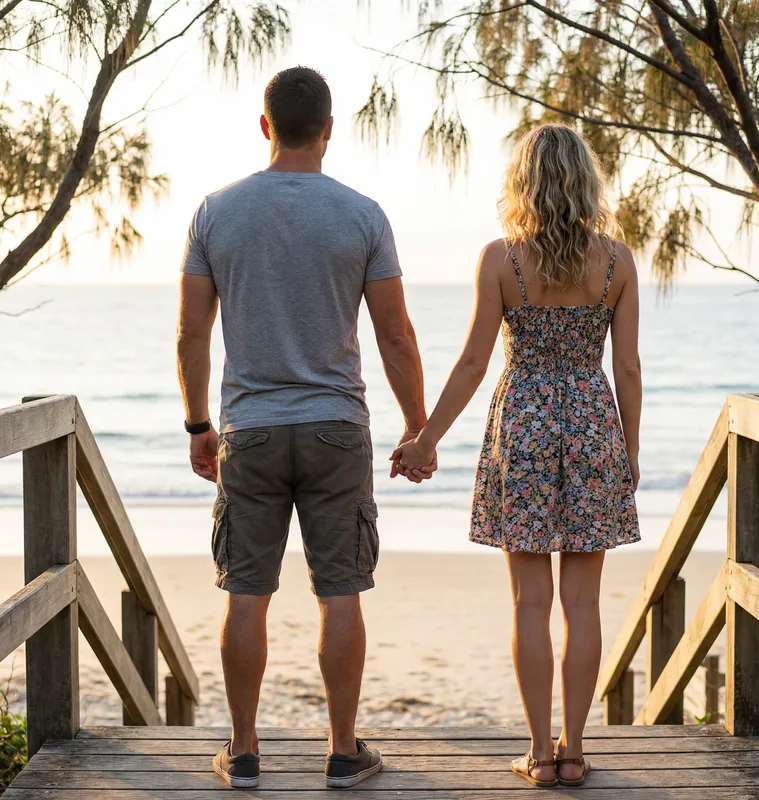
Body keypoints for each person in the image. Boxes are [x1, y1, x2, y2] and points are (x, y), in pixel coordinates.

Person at [177, 66, 434, 790]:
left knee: (246, 593)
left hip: (250, 431)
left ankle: (246, 750)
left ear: (265, 127)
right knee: (340, 591)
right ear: (328, 130)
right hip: (335, 430)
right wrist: (418, 428)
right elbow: (396, 338)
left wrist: (200, 425)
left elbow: (191, 334)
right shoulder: (362, 214)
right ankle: (344, 752)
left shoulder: (214, 213)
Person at [392, 123, 641, 788]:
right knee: (582, 604)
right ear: (587, 181)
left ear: (522, 182)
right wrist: (630, 455)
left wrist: (425, 438)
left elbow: (475, 361)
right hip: (592, 425)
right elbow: (629, 369)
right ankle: (576, 751)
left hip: (524, 426)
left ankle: (538, 752)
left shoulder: (501, 259)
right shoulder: (617, 262)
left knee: (530, 603)